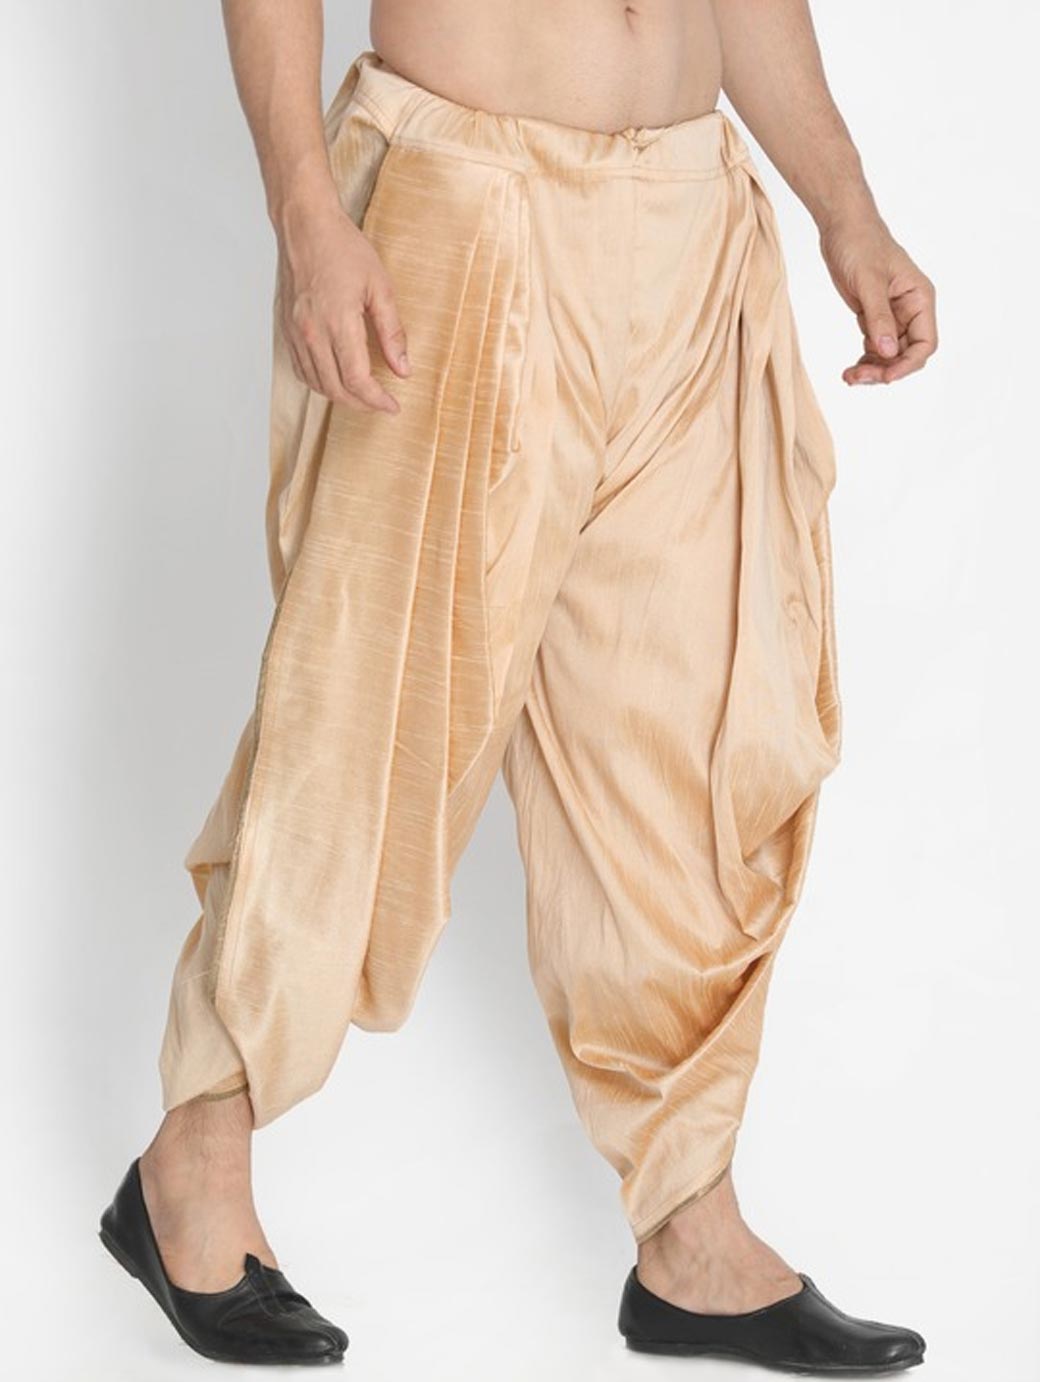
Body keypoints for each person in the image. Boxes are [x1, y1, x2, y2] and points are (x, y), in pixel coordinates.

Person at [99, 0, 937, 1371]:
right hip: (462, 194)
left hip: (691, 216)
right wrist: (306, 218)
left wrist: (847, 206)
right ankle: (194, 1155)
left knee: (690, 740)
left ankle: (690, 1228)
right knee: (368, 711)